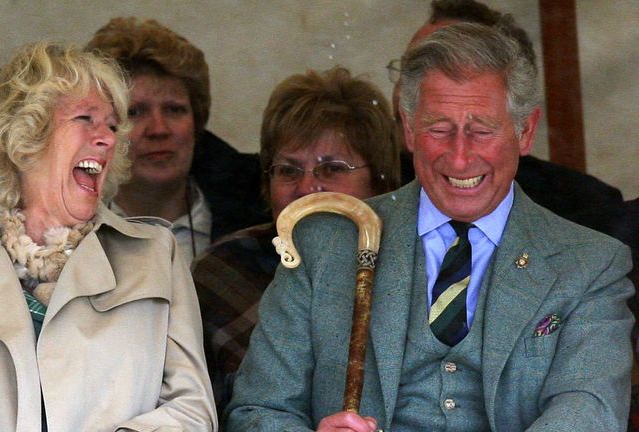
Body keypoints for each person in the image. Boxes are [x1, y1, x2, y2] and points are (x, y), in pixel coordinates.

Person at [225, 23, 633, 431]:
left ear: (524, 131)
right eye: (439, 129)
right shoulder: (324, 245)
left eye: (480, 131)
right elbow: (260, 408)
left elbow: (588, 409)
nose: (459, 159)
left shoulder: (590, 264)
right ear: (408, 129)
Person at [0, 42, 216, 431]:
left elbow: (192, 410)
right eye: (86, 118)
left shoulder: (155, 254)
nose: (107, 138)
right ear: (22, 139)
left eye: (113, 126)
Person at [191, 66, 400, 412]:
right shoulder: (219, 272)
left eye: (331, 168)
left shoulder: (413, 265)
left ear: (380, 182)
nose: (306, 189)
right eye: (288, 171)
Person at [391, 0, 624, 234]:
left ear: (524, 127)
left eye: (481, 130)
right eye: (411, 72)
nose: (403, 93)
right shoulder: (371, 192)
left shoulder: (583, 210)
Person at [86, 17, 268, 266]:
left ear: (197, 121)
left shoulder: (258, 219)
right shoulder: (67, 228)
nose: (159, 129)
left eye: (174, 110)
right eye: (135, 112)